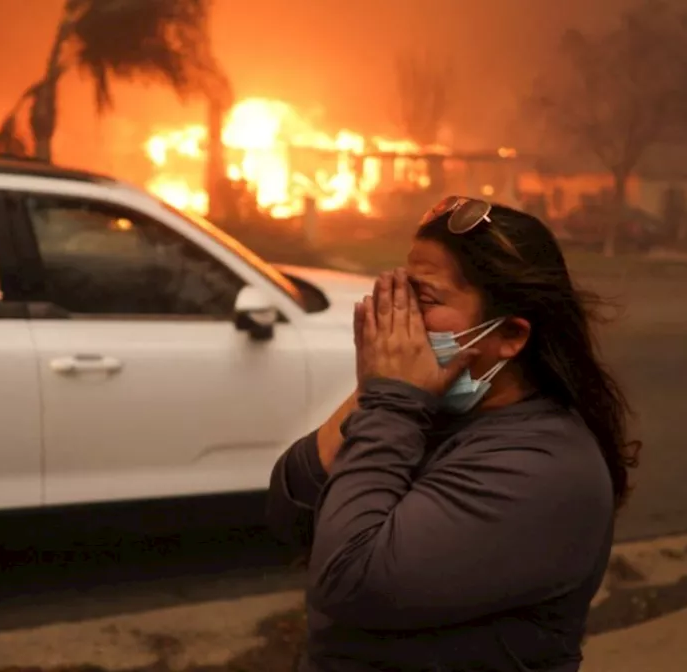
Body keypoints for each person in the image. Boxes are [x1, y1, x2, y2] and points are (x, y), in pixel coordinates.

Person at [267, 196, 639, 671]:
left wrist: (391, 398)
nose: (398, 319)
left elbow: (348, 579)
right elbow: (290, 508)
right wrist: (373, 389)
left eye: (423, 301)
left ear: (510, 335)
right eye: (398, 295)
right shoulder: (420, 410)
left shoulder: (545, 467)